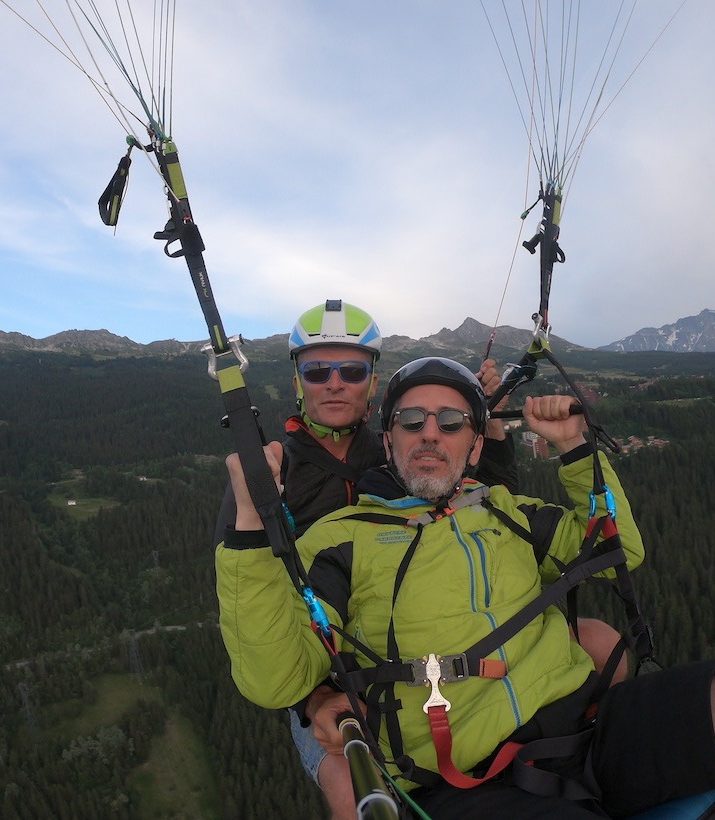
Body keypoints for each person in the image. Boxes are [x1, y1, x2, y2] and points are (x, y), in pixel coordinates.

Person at [217, 357, 715, 818]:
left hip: (593, 727)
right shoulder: (341, 539)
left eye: (451, 423)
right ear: (387, 441)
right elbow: (277, 680)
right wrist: (249, 527)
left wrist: (574, 452)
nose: (431, 434)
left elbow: (616, 547)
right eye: (412, 421)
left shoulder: (505, 511)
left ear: (475, 447)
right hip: (471, 777)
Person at [215, 301, 624, 819]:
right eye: (318, 371)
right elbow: (250, 603)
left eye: (352, 370)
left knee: (604, 643)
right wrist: (314, 701)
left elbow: (478, 513)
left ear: (372, 382)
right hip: (327, 665)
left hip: (417, 627)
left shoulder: (395, 442)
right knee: (352, 786)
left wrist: (487, 432)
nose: (335, 383)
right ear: (298, 380)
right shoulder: (269, 477)